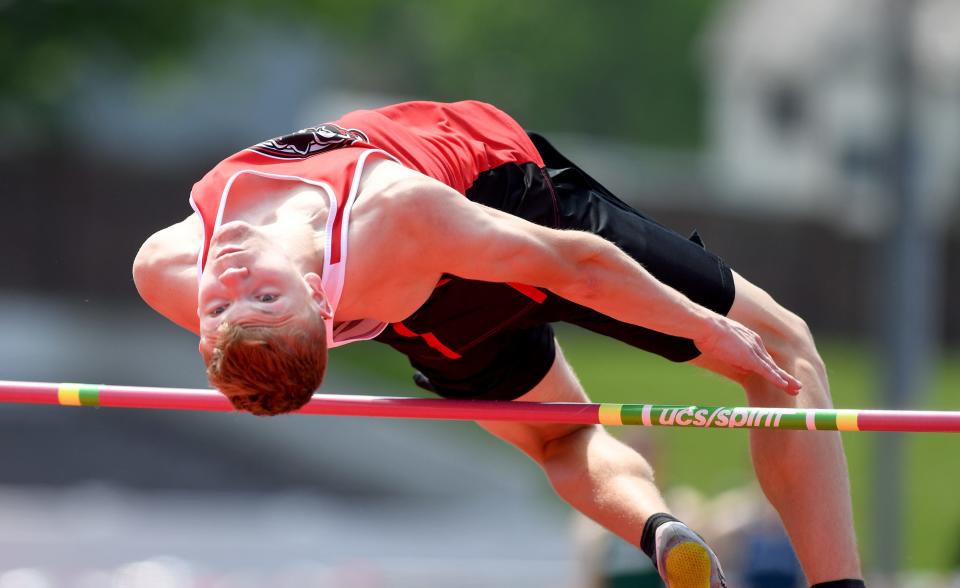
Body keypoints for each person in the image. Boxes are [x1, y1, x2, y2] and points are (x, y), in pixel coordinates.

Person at [133, 100, 864, 587]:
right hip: (505, 205)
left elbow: (262, 343)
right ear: (320, 303)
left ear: (205, 337)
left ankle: (657, 529)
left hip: (425, 315)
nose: (231, 277)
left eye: (228, 307)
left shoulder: (168, 272)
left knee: (559, 440)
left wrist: (260, 339)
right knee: (785, 349)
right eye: (267, 296)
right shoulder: (388, 213)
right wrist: (705, 327)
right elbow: (573, 263)